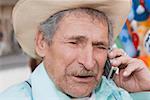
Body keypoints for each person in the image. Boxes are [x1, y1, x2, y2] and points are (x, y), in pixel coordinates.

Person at [0, 0, 150, 100]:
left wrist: (145, 90)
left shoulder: (119, 94)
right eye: (74, 43)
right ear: (42, 43)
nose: (89, 63)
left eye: (100, 46)